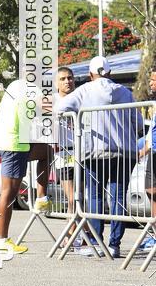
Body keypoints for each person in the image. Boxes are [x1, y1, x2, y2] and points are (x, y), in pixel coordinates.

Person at [57, 56, 142, 258]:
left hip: (95, 151)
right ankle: (115, 244)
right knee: (118, 198)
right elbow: (138, 123)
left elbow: (59, 108)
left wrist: (75, 118)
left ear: (90, 74)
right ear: (110, 73)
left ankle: (96, 242)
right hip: (124, 152)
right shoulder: (125, 92)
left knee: (94, 196)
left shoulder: (84, 91)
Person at [0, 80, 52, 255]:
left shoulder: (16, 85)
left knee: (46, 152)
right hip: (14, 143)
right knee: (9, 193)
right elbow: (46, 108)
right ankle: (1, 240)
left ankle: (41, 197)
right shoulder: (30, 87)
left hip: (11, 141)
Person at [53, 67, 77, 245]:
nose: (67, 81)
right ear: (56, 83)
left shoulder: (80, 98)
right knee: (72, 198)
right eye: (62, 79)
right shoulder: (51, 101)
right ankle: (71, 235)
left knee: (79, 198)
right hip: (62, 154)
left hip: (81, 152)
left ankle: (75, 235)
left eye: (69, 78)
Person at [137, 67, 156, 252]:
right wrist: (142, 151)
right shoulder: (153, 104)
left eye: (154, 80)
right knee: (150, 190)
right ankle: (155, 233)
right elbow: (152, 132)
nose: (151, 83)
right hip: (152, 151)